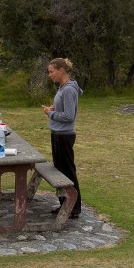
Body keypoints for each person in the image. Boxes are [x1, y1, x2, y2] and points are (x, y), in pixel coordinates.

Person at [42, 57, 83, 218]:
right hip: (57, 134)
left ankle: (74, 207)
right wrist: (54, 108)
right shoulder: (62, 87)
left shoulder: (68, 90)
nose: (49, 75)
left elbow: (69, 116)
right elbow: (64, 109)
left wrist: (50, 113)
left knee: (67, 172)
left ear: (61, 70)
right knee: (60, 172)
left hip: (64, 136)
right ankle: (64, 205)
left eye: (51, 72)